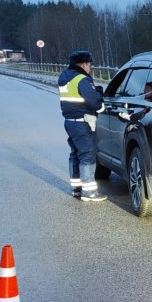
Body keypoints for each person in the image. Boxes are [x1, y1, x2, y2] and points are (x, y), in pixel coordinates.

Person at [58, 50, 106, 202]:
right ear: (84, 64)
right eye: (89, 65)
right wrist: (100, 99)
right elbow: (95, 103)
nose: (90, 68)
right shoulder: (82, 79)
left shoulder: (65, 77)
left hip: (70, 122)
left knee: (75, 154)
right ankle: (89, 192)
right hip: (82, 122)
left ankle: (76, 189)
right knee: (87, 155)